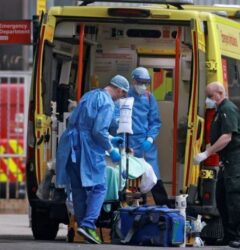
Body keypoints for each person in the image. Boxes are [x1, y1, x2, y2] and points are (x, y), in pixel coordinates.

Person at [55, 75, 129, 244]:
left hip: (70, 144)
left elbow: (85, 125)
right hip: (87, 147)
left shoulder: (90, 95)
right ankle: (88, 225)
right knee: (100, 186)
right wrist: (111, 149)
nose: (121, 98)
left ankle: (82, 225)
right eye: (122, 94)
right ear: (119, 89)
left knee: (78, 187)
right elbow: (97, 131)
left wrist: (110, 138)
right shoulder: (108, 103)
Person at [193, 82, 240, 249]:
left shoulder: (227, 109)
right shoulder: (220, 110)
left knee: (235, 197)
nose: (208, 100)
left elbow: (227, 137)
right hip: (228, 159)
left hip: (236, 158)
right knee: (221, 196)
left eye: (210, 96)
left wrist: (207, 153)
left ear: (219, 93)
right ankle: (230, 235)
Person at [114, 67, 169, 206]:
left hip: (145, 143)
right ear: (133, 80)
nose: (143, 86)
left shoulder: (149, 98)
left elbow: (155, 121)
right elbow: (115, 119)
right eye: (140, 82)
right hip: (127, 142)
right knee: (127, 177)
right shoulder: (124, 97)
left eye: (146, 82)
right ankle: (127, 208)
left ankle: (164, 207)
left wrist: (150, 139)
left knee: (153, 175)